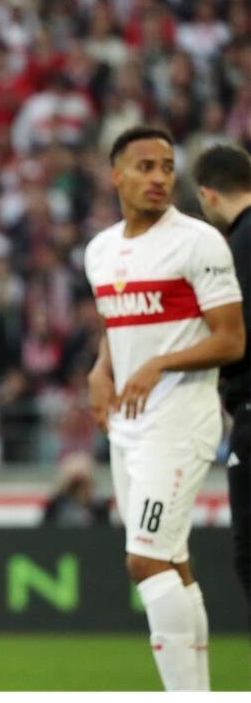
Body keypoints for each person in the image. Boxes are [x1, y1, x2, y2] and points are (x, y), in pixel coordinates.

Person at [85, 126, 244, 691]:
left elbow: (231, 339)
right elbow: (115, 326)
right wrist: (102, 371)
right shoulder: (100, 251)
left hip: (180, 422)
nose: (158, 178)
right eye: (145, 166)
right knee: (171, 562)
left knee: (145, 561)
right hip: (127, 429)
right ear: (116, 175)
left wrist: (158, 366)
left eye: (167, 167)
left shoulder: (199, 242)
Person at [192, 144, 251, 603]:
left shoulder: (232, 249)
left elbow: (232, 339)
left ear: (207, 195)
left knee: (248, 557)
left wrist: (160, 363)